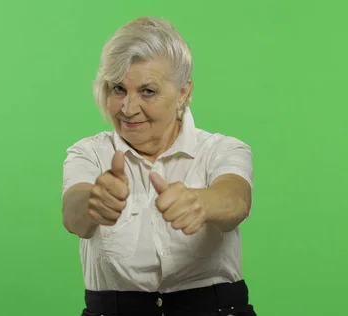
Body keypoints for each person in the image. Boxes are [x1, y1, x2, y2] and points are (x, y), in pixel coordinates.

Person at [62, 16, 256, 316]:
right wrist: (94, 203)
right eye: (118, 89)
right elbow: (73, 212)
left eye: (147, 91)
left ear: (182, 93)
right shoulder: (88, 152)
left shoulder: (222, 149)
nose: (128, 108)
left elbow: (237, 199)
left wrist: (200, 202)